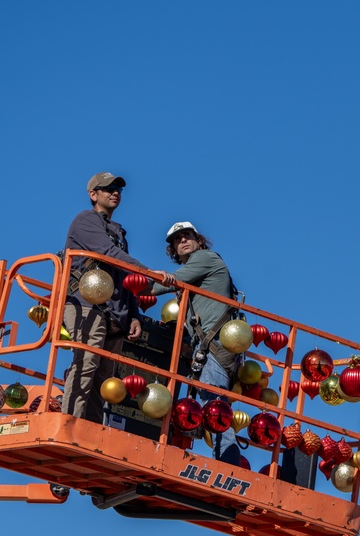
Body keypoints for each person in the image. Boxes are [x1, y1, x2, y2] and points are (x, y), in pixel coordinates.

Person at [61, 172, 173, 424]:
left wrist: (134, 314)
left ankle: (88, 431)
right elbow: (108, 253)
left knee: (104, 378)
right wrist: (149, 272)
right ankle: (69, 423)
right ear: (93, 194)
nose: (115, 192)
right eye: (108, 188)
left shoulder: (119, 233)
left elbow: (124, 276)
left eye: (118, 189)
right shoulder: (86, 220)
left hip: (114, 313)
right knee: (86, 365)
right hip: (87, 305)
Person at [153, 221, 240, 465]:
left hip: (214, 346)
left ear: (198, 239)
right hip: (210, 346)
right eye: (177, 239)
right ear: (173, 248)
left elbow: (157, 285)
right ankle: (226, 462)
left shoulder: (204, 259)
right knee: (211, 406)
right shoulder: (194, 273)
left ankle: (229, 467)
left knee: (215, 409)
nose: (183, 240)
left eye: (187, 235)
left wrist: (128, 283)